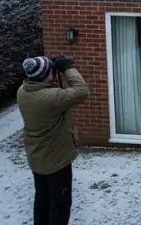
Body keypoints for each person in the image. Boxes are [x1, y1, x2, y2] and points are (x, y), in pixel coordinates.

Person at [17, 55, 90, 225]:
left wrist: (46, 66)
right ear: (46, 75)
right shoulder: (49, 98)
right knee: (60, 206)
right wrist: (67, 69)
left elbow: (42, 80)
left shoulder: (23, 91)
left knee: (42, 201)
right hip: (56, 161)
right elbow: (82, 91)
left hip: (37, 159)